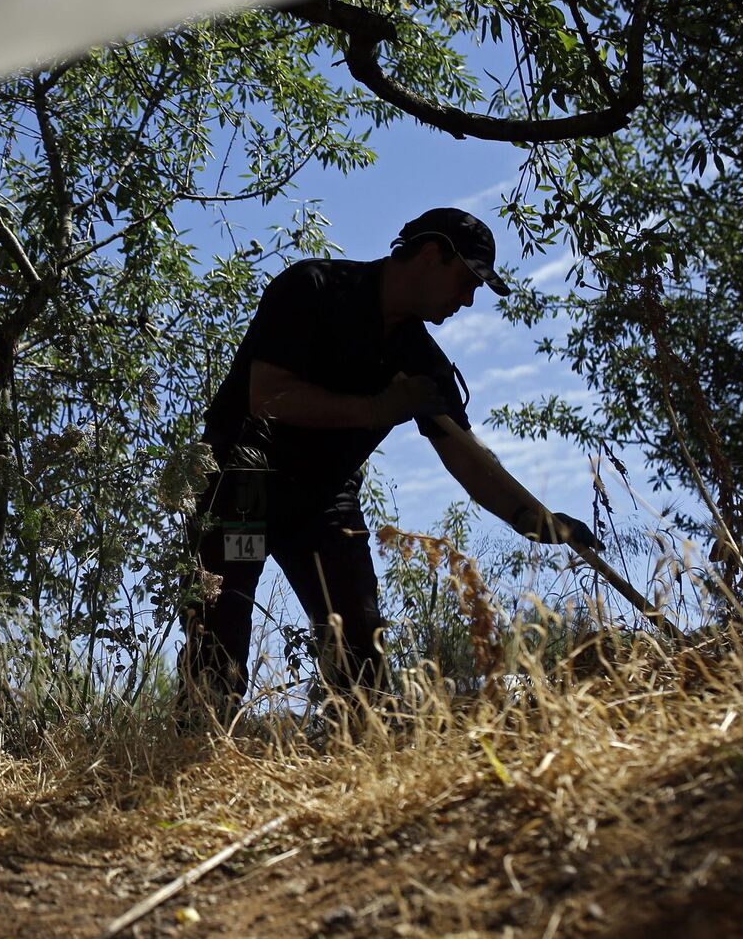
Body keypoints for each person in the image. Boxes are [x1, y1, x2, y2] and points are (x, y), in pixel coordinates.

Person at [178, 208, 599, 723]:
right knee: (219, 636)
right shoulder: (312, 288)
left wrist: (533, 518)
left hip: (323, 502)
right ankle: (195, 750)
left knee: (359, 645)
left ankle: (353, 754)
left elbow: (467, 456)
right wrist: (379, 409)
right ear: (429, 254)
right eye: (465, 281)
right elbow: (268, 397)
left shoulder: (422, 362)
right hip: (244, 490)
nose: (467, 300)